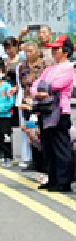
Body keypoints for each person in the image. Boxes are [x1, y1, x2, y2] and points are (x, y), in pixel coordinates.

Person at [31, 38, 74, 192]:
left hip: (60, 111)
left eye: (57, 49)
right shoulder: (49, 69)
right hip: (46, 110)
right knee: (48, 146)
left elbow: (56, 85)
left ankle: (63, 181)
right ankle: (53, 178)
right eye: (53, 49)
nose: (54, 51)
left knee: (60, 146)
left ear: (66, 52)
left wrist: (42, 89)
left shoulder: (69, 68)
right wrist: (38, 92)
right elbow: (35, 85)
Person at [16, 41, 47, 170]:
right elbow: (21, 84)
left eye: (30, 51)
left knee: (40, 130)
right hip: (27, 103)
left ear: (37, 52)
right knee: (30, 130)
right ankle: (33, 160)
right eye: (26, 51)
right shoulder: (22, 66)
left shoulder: (44, 66)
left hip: (39, 103)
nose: (28, 54)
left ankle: (44, 160)